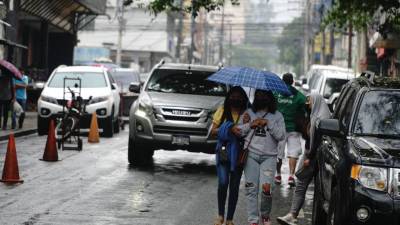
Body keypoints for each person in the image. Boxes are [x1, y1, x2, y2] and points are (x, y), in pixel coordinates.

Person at [277, 93, 331, 225]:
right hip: (311, 155)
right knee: (302, 184)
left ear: (316, 101)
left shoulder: (320, 120)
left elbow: (318, 142)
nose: (308, 103)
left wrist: (310, 158)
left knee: (302, 184)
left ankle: (293, 215)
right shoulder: (315, 116)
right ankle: (292, 215)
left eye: (310, 100)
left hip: (313, 156)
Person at [237, 90, 286, 225]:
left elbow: (281, 136)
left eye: (264, 95)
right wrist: (250, 124)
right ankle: (253, 220)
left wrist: (268, 123)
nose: (260, 97)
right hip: (251, 155)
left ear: (270, 98)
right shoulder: (249, 113)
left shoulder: (277, 116)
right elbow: (239, 131)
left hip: (269, 157)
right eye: (258, 95)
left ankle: (265, 214)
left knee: (267, 188)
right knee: (251, 188)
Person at [211, 86, 250, 225]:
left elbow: (250, 133)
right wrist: (228, 127)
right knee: (223, 183)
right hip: (223, 151)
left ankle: (229, 219)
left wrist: (247, 124)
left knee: (234, 187)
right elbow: (212, 132)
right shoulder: (222, 110)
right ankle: (220, 215)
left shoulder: (247, 114)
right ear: (229, 98)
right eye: (233, 95)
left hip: (239, 154)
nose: (236, 98)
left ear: (243, 98)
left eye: (239, 96)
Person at [274, 73, 306, 187]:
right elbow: (306, 105)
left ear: (282, 81)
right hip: (294, 129)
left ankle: (278, 175)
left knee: (278, 153)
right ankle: (291, 176)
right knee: (293, 153)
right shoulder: (298, 95)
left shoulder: (276, 93)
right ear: (292, 81)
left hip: (279, 128)